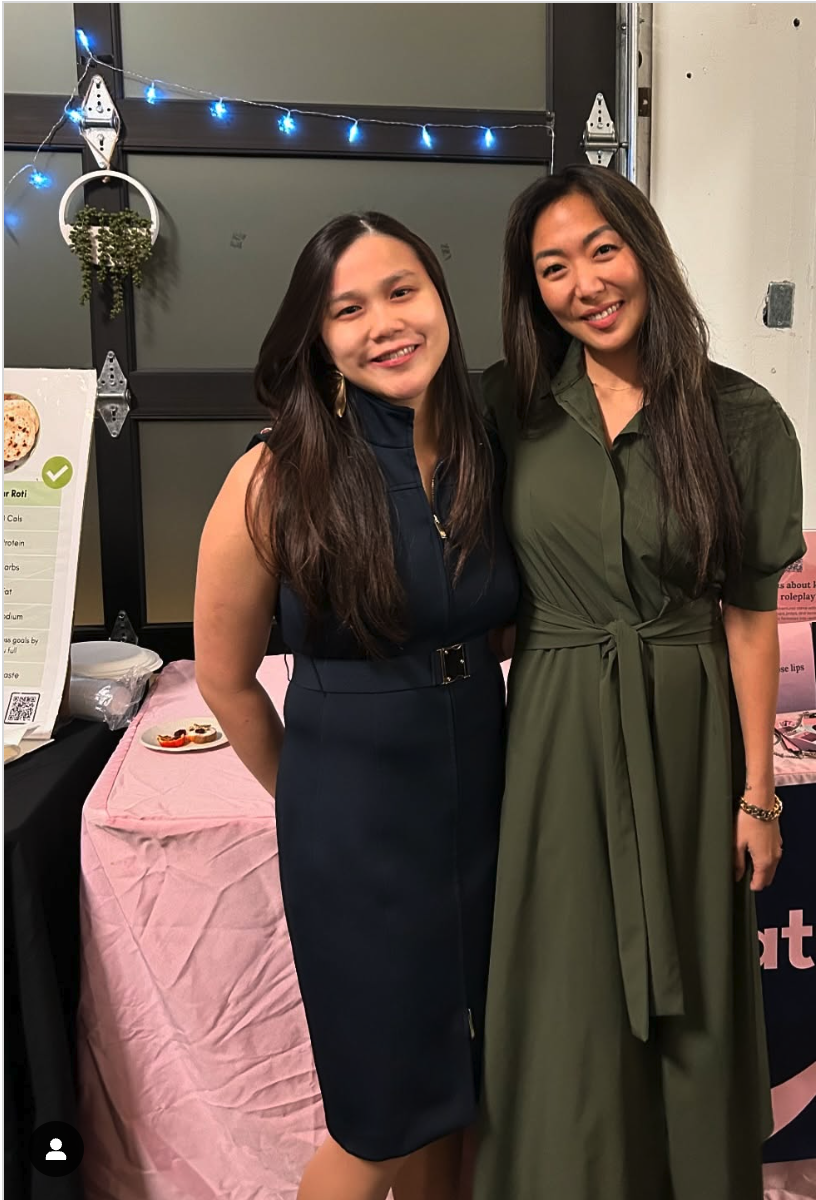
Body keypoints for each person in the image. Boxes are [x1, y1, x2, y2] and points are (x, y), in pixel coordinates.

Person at [474, 165, 805, 1197]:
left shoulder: (741, 418)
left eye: (601, 250)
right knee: (564, 987)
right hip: (556, 726)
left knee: (695, 992)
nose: (584, 283)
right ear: (533, 292)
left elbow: (751, 622)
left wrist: (758, 794)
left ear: (645, 252)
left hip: (687, 721)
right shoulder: (504, 408)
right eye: (552, 267)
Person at [194, 213, 516, 1200]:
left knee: (459, 1093)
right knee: (380, 1115)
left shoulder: (483, 455)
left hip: (485, 791)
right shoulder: (277, 474)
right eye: (349, 307)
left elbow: (501, 624)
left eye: (403, 291)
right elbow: (224, 675)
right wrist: (309, 796)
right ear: (317, 336)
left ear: (442, 304)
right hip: (354, 821)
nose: (385, 321)